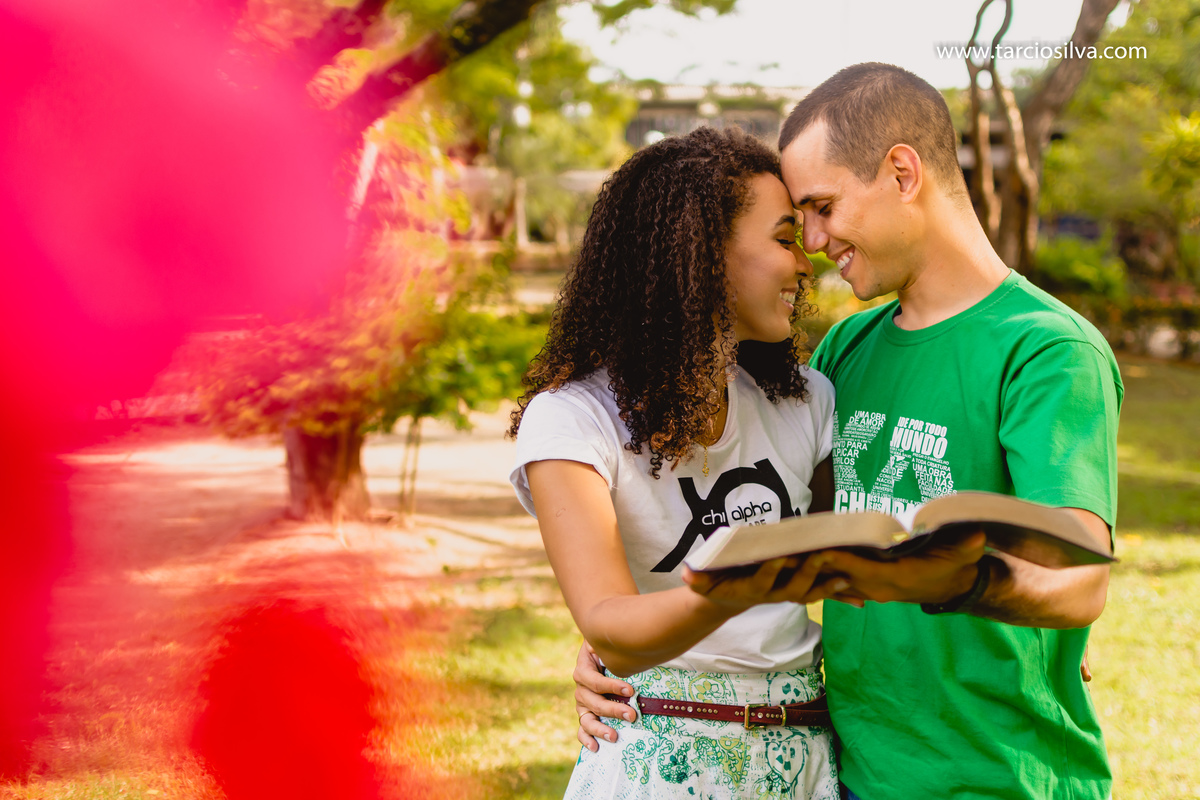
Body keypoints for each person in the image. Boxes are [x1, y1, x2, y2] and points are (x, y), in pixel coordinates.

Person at [575, 63, 1122, 800]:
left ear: (902, 172)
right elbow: (782, 542)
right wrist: (614, 643)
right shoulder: (841, 358)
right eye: (799, 220)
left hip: (999, 775)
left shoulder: (1047, 350)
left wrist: (970, 582)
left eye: (823, 207)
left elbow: (1081, 578)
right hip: (848, 767)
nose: (814, 240)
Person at [508, 126, 846, 799]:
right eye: (785, 240)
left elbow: (842, 566)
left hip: (806, 759)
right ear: (701, 255)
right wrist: (733, 584)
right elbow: (611, 624)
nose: (807, 263)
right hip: (658, 762)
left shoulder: (807, 400)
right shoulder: (574, 420)